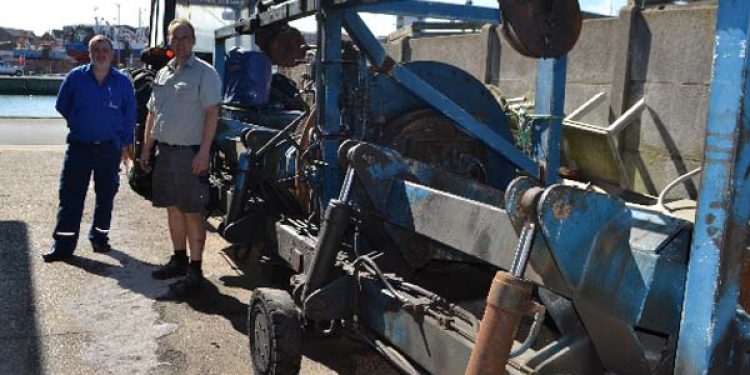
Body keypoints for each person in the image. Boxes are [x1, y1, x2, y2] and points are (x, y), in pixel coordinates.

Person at [139, 19, 222, 294]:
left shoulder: (204, 73)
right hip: (165, 153)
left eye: (185, 37)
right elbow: (153, 114)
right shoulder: (163, 74)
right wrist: (147, 148)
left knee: (192, 211)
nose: (180, 42)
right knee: (172, 208)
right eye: (175, 38)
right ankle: (178, 259)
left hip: (190, 154)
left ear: (194, 40)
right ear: (169, 42)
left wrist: (204, 152)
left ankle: (195, 270)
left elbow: (212, 114)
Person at [44, 35, 136, 262]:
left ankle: (100, 239)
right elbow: (62, 105)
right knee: (71, 197)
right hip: (79, 148)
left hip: (109, 150)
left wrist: (126, 144)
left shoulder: (123, 82)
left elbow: (129, 116)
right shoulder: (76, 78)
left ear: (112, 54)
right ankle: (63, 246)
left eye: (106, 49)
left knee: (106, 197)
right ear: (90, 52)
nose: (102, 54)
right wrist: (80, 122)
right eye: (97, 49)